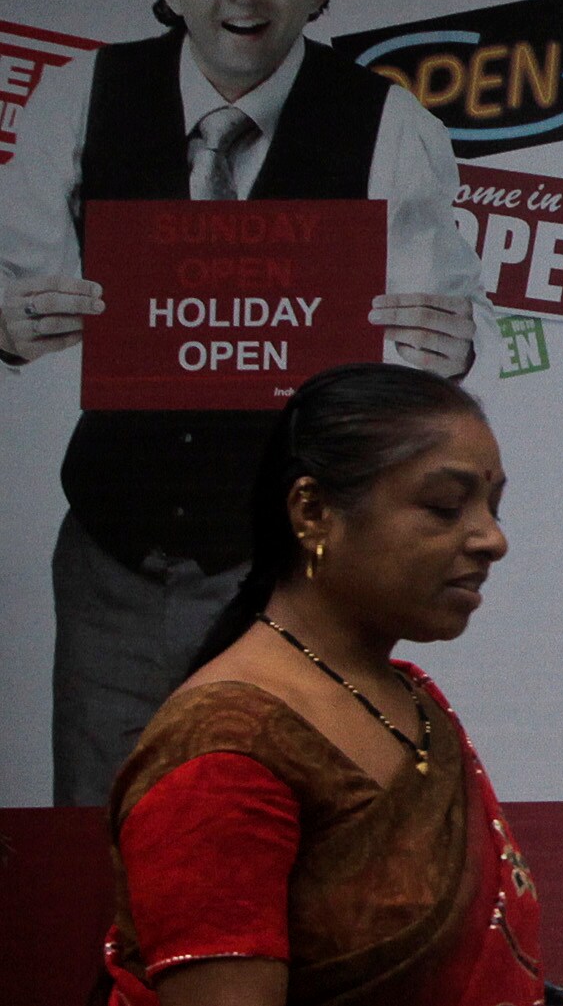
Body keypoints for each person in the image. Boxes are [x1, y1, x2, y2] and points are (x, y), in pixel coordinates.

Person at [0, 0, 495, 805]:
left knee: (279, 824)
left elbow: (448, 323)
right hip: (111, 560)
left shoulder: (388, 124)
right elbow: (12, 285)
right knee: (100, 832)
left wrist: (449, 348)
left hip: (289, 575)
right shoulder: (79, 98)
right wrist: (10, 326)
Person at [100, 362, 538, 1006]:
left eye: (492, 507)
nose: (492, 539)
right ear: (312, 511)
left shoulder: (412, 703)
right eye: (445, 506)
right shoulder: (222, 750)